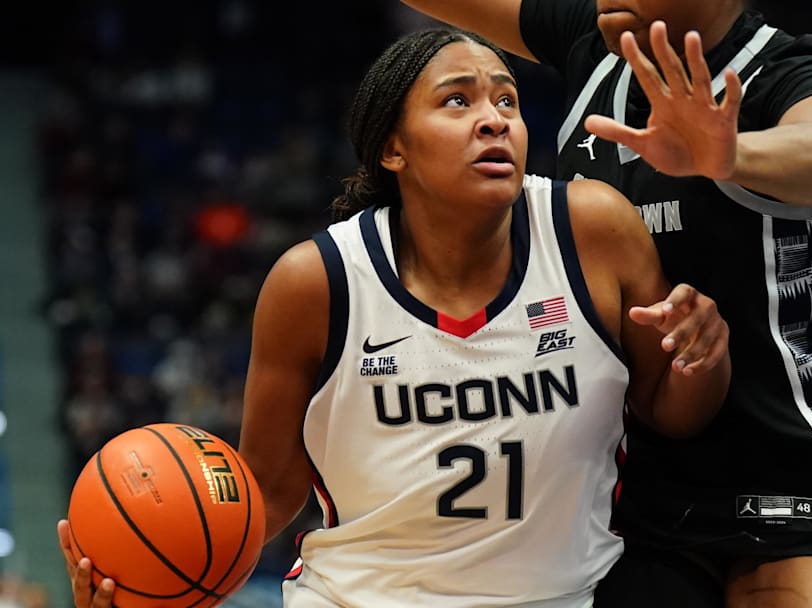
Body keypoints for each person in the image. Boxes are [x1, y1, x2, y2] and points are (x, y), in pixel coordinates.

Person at [57, 26, 732, 607]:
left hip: (569, 594)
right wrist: (152, 575)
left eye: (507, 99)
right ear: (393, 149)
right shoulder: (314, 283)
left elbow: (668, 413)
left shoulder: (590, 230)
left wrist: (704, 358)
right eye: (457, 100)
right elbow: (265, 489)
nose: (494, 118)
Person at [395, 1, 812, 606]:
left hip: (786, 485)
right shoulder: (592, 44)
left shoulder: (794, 70)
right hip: (622, 497)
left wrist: (729, 155)